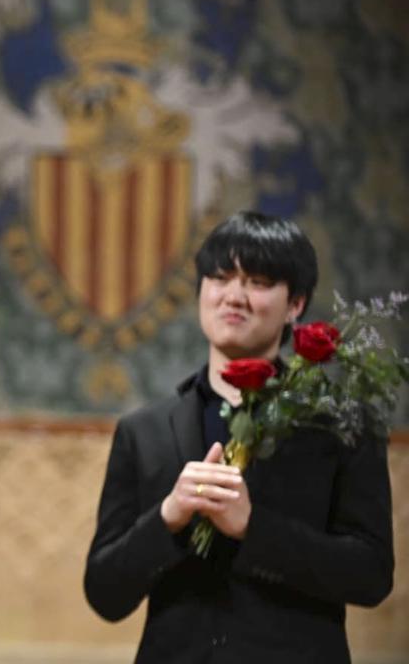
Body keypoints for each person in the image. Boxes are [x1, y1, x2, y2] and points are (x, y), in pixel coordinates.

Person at [84, 211, 393, 663]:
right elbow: (104, 594)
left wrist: (254, 529)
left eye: (258, 281)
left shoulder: (341, 425)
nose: (234, 296)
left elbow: (371, 575)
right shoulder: (143, 430)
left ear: (296, 305)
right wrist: (168, 517)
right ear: (201, 292)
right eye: (220, 277)